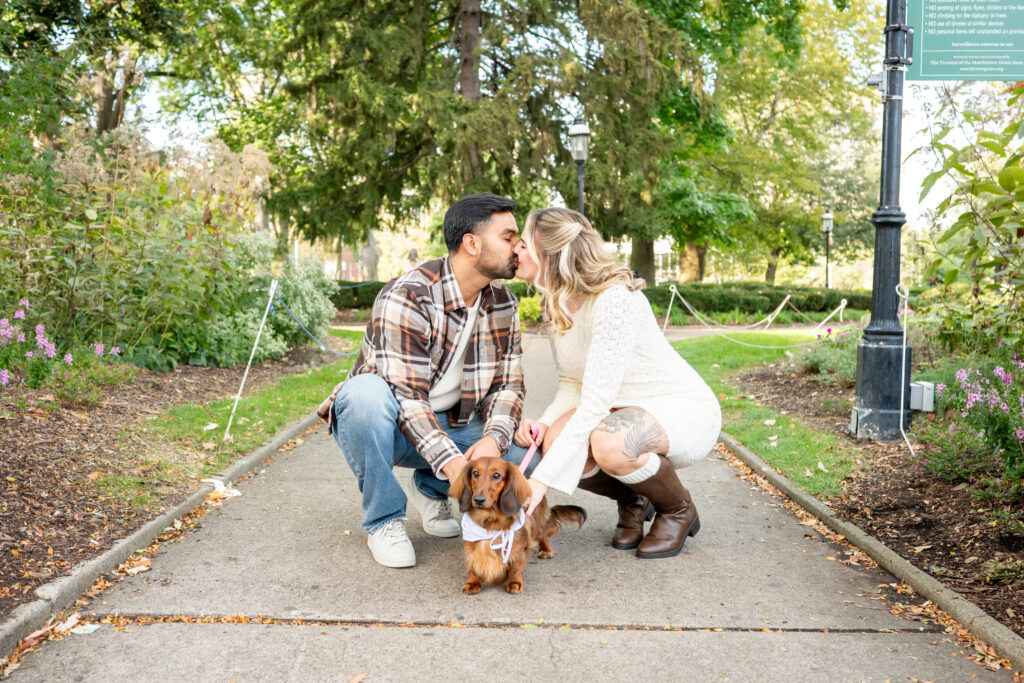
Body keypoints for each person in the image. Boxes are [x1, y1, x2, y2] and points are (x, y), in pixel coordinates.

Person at [318, 193, 532, 568]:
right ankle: (384, 520)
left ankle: (430, 491)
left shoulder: (503, 303)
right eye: (509, 237)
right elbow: (407, 401)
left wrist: (493, 441)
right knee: (365, 396)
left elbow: (508, 386)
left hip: (454, 424)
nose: (519, 247)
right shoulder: (409, 296)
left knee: (529, 456)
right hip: (389, 426)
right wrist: (457, 470)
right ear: (472, 243)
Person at [512, 207, 721, 559]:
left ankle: (678, 509)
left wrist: (539, 482)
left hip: (680, 406)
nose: (515, 251)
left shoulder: (614, 300)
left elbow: (593, 406)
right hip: (621, 408)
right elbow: (571, 382)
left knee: (609, 443)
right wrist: (545, 422)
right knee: (556, 440)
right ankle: (633, 497)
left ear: (547, 252)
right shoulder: (559, 301)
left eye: (522, 243)